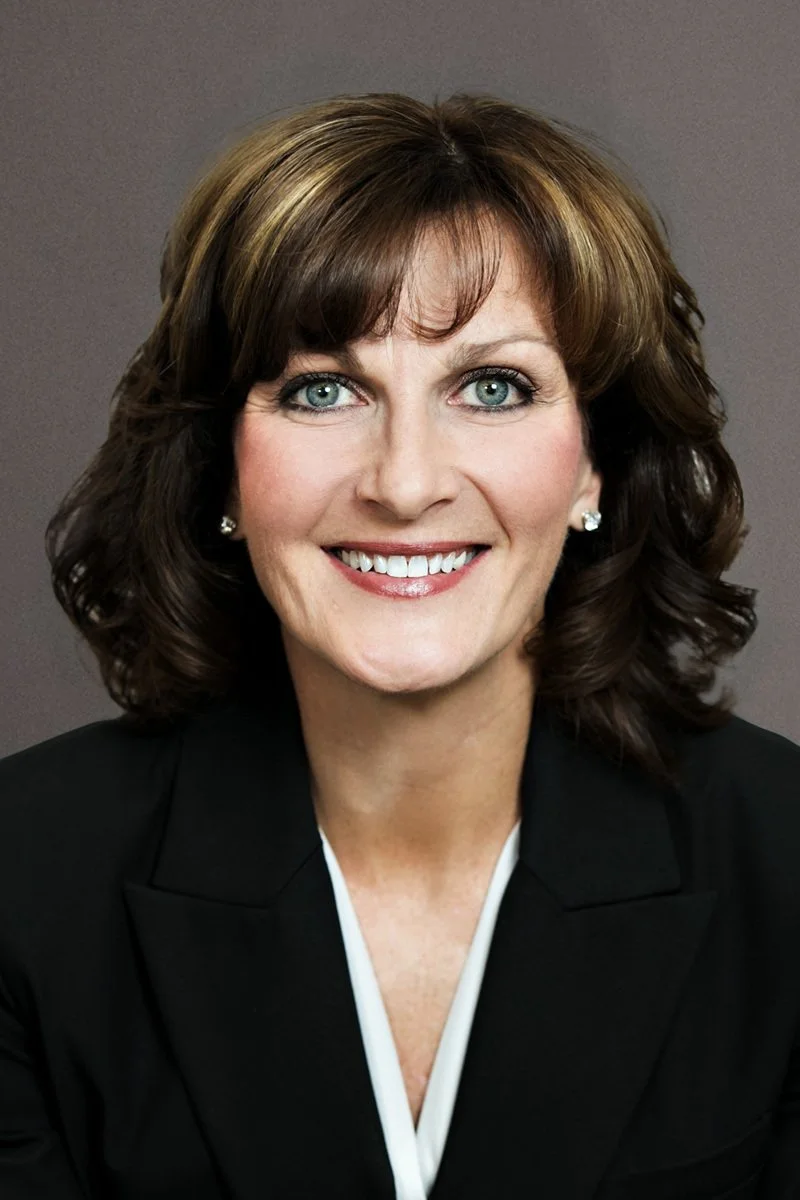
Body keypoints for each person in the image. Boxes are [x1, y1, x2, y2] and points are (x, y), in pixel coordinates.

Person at [0, 89, 797, 1200]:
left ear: (593, 466)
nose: (405, 482)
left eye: (492, 387)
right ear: (223, 468)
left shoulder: (782, 859)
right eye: (323, 390)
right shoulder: (23, 877)